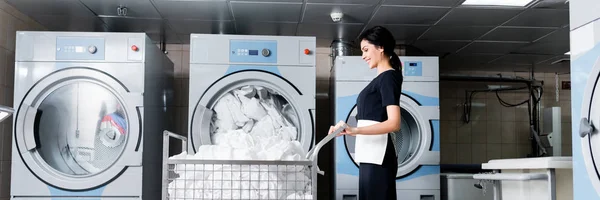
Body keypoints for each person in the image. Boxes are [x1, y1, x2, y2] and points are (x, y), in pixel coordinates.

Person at [329, 25, 403, 200]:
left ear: (381, 47)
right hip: (371, 153)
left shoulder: (388, 78)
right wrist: (346, 128)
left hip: (379, 155)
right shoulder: (380, 79)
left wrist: (356, 130)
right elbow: (373, 118)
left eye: (366, 50)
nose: (363, 56)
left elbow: (394, 123)